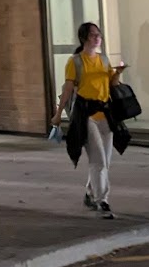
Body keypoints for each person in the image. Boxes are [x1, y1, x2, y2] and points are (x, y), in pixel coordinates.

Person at [51, 20, 126, 218]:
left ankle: (90, 192)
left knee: (105, 161)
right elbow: (68, 89)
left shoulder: (104, 60)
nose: (97, 37)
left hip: (105, 113)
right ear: (84, 38)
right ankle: (102, 201)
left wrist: (117, 74)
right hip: (87, 115)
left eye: (99, 34)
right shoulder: (75, 61)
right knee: (98, 159)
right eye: (93, 35)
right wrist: (58, 114)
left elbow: (112, 84)